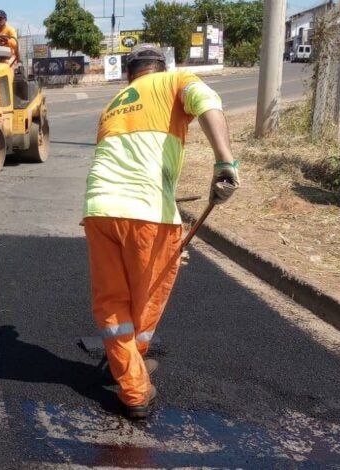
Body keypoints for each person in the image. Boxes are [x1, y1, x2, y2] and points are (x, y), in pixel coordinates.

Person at [82, 44, 240, 419]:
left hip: (99, 209)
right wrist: (225, 162)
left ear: (128, 75)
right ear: (163, 67)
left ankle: (132, 369)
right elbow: (207, 101)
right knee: (147, 294)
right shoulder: (175, 80)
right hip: (146, 210)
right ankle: (135, 388)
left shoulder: (113, 105)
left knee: (112, 304)